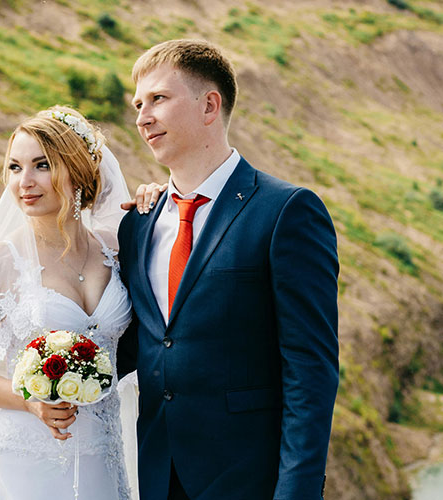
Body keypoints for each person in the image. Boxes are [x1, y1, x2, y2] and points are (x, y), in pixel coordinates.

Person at [116, 39, 340, 500]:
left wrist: (296, 492)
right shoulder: (138, 225)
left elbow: (310, 370)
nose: (142, 117)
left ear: (209, 105)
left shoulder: (287, 211)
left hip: (250, 480)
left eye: (158, 98)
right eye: (138, 104)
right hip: (157, 476)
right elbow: (145, 345)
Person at [0, 105, 154, 499]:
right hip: (24, 458)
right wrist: (29, 401)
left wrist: (157, 201)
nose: (24, 182)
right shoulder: (0, 260)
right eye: (14, 168)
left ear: (77, 170)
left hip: (104, 450)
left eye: (41, 165)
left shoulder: (116, 249)